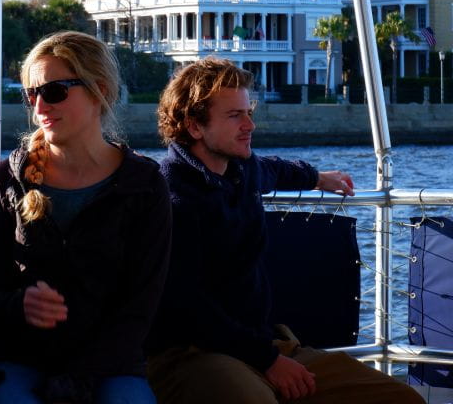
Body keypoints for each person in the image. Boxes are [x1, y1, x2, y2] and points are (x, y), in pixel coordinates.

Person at [148, 56, 422, 404]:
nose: (250, 125)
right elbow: (186, 307)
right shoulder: (168, 198)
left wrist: (319, 178)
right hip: (190, 352)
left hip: (262, 343)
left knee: (398, 398)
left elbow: (274, 169)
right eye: (235, 116)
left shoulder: (240, 168)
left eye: (249, 113)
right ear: (194, 126)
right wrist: (268, 361)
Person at [0, 31, 171, 404]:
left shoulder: (143, 185)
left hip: (113, 365)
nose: (40, 106)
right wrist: (19, 305)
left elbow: (141, 306)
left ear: (101, 92)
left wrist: (79, 376)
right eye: (32, 93)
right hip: (21, 360)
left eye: (56, 91)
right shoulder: (4, 180)